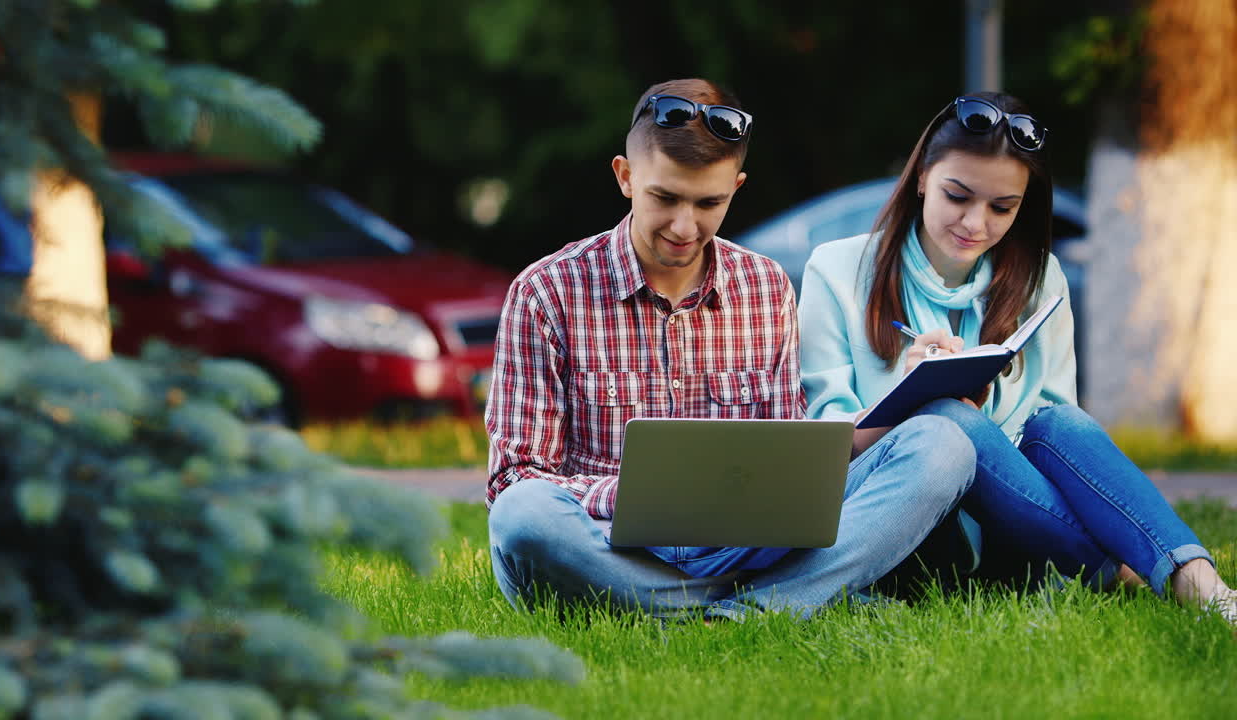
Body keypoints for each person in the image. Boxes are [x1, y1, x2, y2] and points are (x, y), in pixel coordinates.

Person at [484, 78, 979, 621]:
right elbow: (515, 477)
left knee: (943, 445)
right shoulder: (545, 292)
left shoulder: (765, 286)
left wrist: (902, 401)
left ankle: (715, 609)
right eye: (665, 198)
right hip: (607, 546)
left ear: (737, 189)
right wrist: (644, 501)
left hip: (747, 544)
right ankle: (774, 603)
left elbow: (793, 454)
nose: (684, 226)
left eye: (708, 203)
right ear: (626, 178)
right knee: (523, 515)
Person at [797, 91, 1236, 624]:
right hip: (906, 521)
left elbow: (1060, 447)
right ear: (920, 179)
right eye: (957, 196)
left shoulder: (1040, 278)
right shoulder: (837, 269)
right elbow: (822, 441)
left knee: (1060, 421)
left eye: (1002, 207)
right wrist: (905, 400)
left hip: (1015, 530)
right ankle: (1130, 567)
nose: (975, 224)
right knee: (948, 417)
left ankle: (1201, 583)